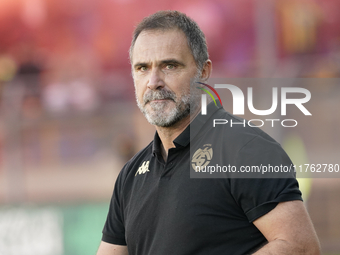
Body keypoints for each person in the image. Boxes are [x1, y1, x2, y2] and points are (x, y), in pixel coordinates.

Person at [96, 10, 320, 255]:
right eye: (142, 68)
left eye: (169, 66)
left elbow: (301, 247)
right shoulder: (130, 176)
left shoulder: (246, 150)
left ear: (203, 71)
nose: (153, 81)